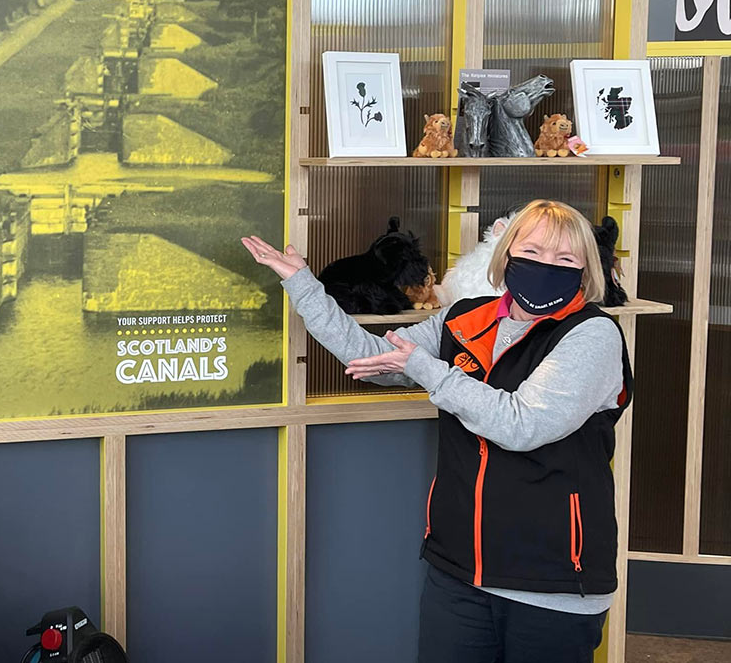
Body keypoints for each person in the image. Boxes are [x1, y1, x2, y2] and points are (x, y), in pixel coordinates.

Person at [242, 199, 633, 663]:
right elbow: (373, 356)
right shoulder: (466, 318)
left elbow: (523, 424)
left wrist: (428, 369)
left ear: (586, 269)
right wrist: (303, 286)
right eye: (533, 251)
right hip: (457, 573)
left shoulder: (593, 334)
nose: (546, 265)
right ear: (506, 254)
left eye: (565, 259)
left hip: (553, 583)